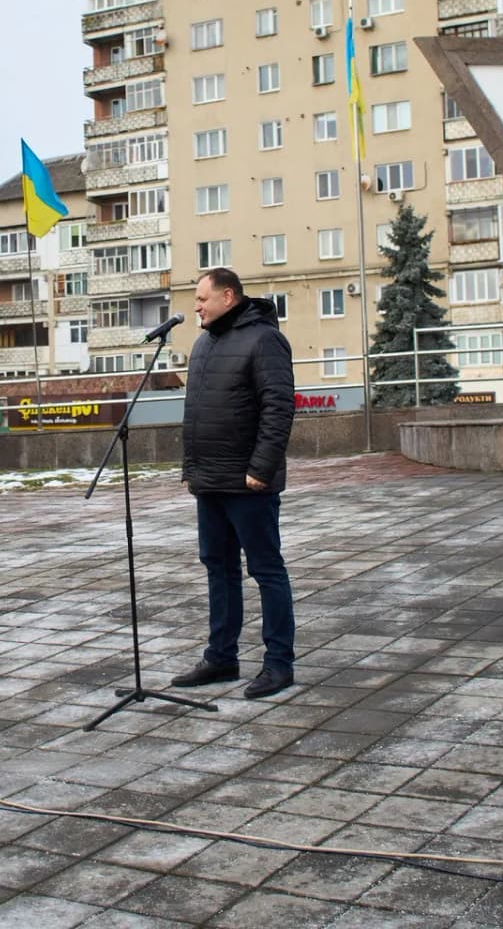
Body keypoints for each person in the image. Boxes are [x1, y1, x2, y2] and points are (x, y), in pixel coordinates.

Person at [172, 268, 298, 701]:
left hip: (249, 482)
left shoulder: (265, 340)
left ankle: (279, 663)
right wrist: (192, 470)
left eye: (203, 298)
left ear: (229, 296)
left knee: (266, 570)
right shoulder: (204, 343)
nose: (197, 307)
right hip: (210, 482)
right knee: (218, 570)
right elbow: (198, 412)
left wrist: (261, 469)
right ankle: (221, 657)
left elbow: (278, 408)